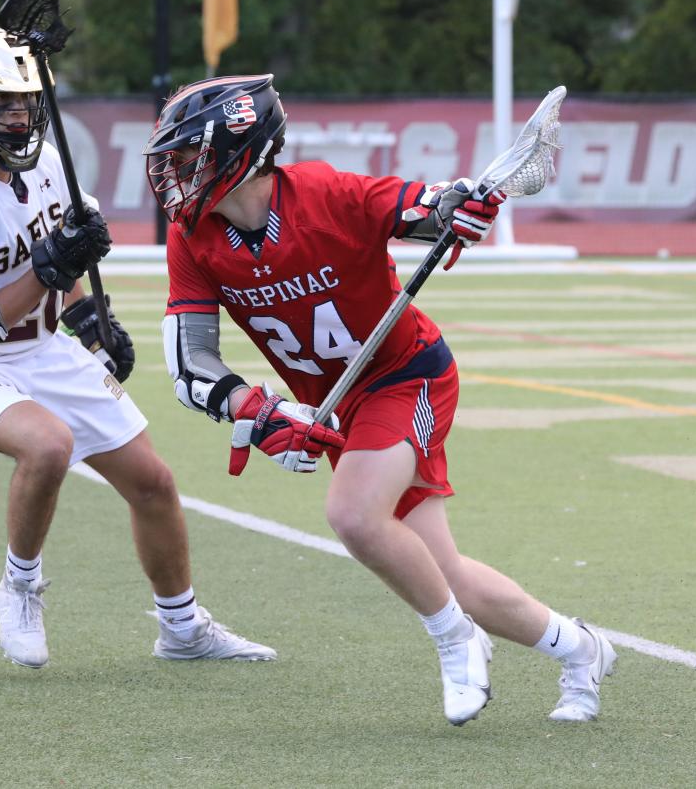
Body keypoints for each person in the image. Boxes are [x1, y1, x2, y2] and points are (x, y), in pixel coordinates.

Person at [142, 73, 616, 724]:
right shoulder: (192, 240)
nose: (175, 173)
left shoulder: (324, 194)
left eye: (188, 156)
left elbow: (422, 208)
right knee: (443, 571)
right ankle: (580, 648)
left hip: (405, 374)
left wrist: (458, 209)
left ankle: (457, 642)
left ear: (238, 149)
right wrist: (261, 411)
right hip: (342, 402)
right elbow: (189, 360)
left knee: (355, 514)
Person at [0, 28, 276, 669]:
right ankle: (18, 588)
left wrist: (90, 316)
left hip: (41, 346)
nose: (17, 116)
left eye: (26, 101)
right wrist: (48, 267)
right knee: (47, 445)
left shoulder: (47, 161)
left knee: (152, 482)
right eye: (0, 102)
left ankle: (182, 630)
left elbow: (67, 249)